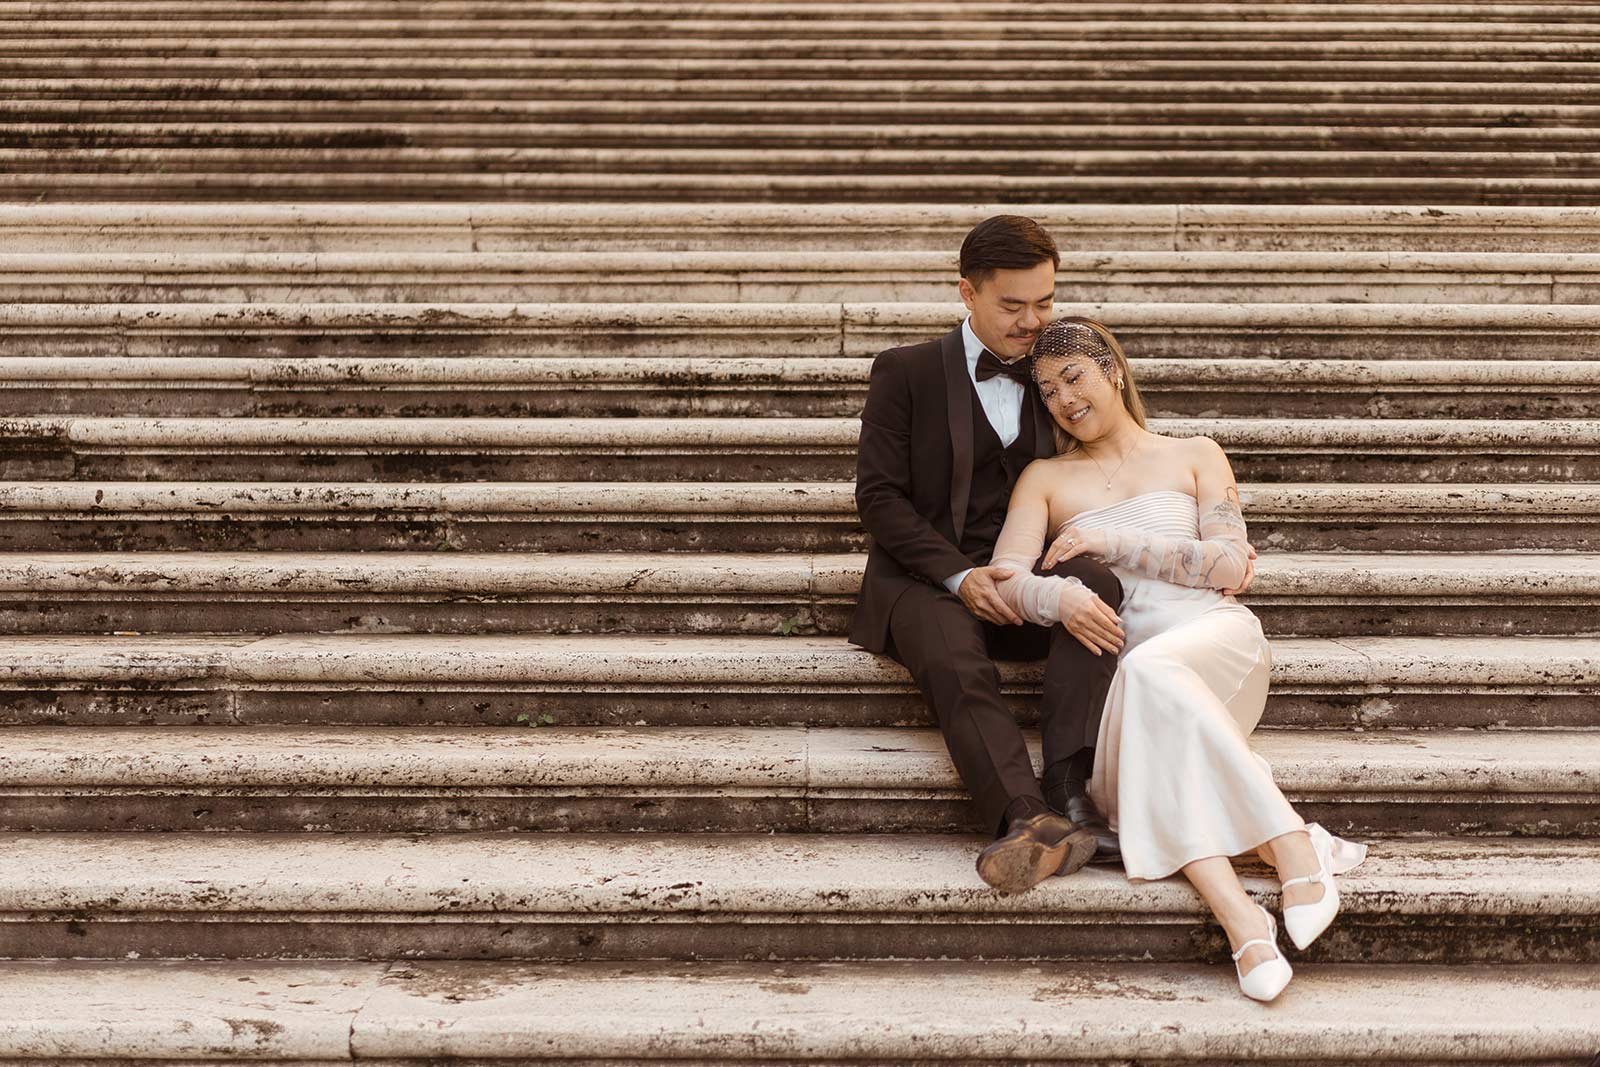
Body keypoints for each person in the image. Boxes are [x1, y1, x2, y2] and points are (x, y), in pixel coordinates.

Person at [987, 316, 1367, 1001]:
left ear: (1113, 371)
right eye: (1046, 391)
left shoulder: (1194, 452)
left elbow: (1229, 564)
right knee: (1143, 689)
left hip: (1215, 643)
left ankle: (1283, 851)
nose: (1063, 399)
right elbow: (1006, 578)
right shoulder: (1043, 477)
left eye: (1073, 377)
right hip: (1132, 688)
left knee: (1151, 667)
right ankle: (1246, 912)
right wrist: (1060, 599)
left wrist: (1112, 540)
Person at [851, 215, 1128, 894]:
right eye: (1013, 305)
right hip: (926, 577)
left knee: (1096, 583)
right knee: (950, 646)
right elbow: (880, 498)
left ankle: (1070, 790)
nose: (1033, 320)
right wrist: (958, 572)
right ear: (966, 294)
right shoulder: (905, 371)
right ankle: (1027, 818)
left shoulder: (1058, 372)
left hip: (1030, 569)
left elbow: (1119, 455)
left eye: (1046, 302)